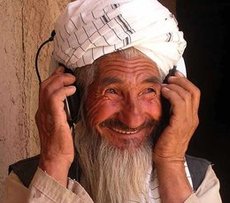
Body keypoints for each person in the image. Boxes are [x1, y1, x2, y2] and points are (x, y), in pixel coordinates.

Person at [3, 0, 222, 202]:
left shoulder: (199, 180)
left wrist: (171, 162)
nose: (133, 119)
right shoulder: (25, 181)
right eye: (112, 91)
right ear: (74, 100)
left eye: (148, 91)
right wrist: (54, 162)